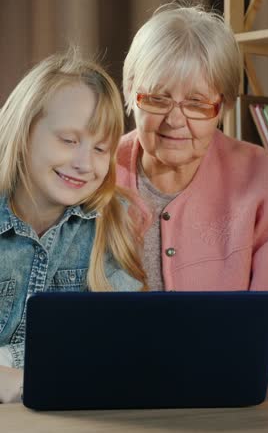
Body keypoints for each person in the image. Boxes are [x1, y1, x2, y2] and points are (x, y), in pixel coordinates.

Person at [117, 2, 268, 386]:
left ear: (224, 106)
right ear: (131, 92)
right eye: (158, 99)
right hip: (126, 394)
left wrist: (221, 375)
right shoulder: (95, 175)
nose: (176, 120)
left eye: (197, 104)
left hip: (258, 398)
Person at [0, 51, 146, 402]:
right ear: (23, 130)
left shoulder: (110, 223)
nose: (84, 163)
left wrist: (8, 365)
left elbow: (114, 344)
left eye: (100, 148)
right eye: (68, 140)